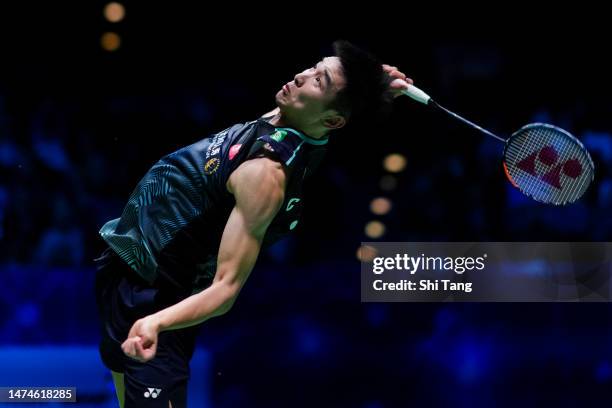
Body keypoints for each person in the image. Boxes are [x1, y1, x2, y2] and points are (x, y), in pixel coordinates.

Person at [94, 40, 413, 407]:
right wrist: (373, 81)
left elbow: (225, 291)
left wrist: (157, 323)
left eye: (318, 80)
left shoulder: (266, 174)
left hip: (158, 298)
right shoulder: (288, 118)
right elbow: (333, 102)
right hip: (129, 268)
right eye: (313, 66)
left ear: (332, 120)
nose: (301, 75)